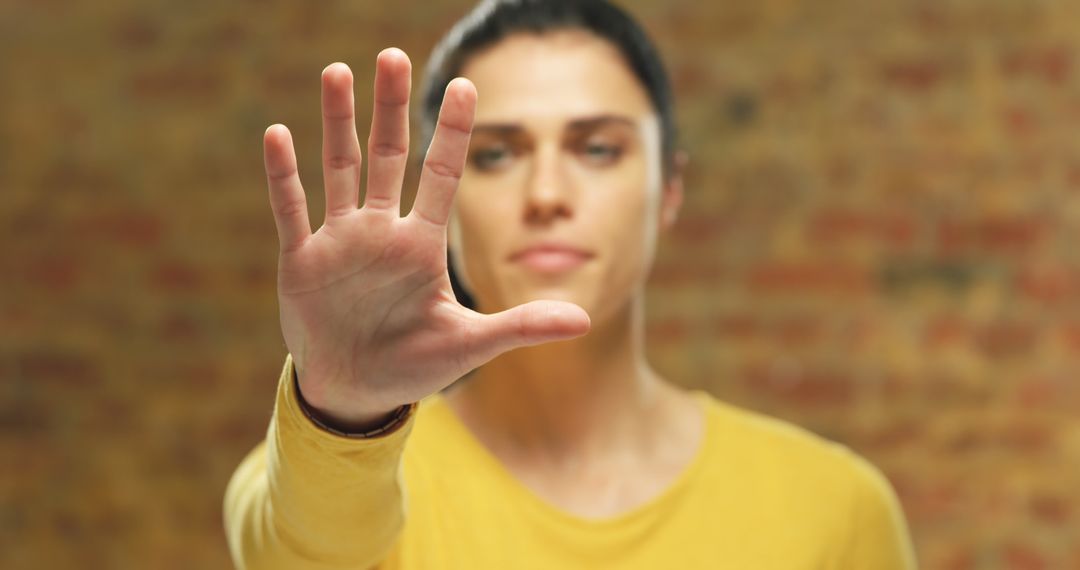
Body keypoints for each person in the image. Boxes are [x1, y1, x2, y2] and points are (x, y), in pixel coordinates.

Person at [224, 1, 917, 568]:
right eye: (495, 155)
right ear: (446, 201)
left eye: (597, 148)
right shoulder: (315, 477)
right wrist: (342, 414)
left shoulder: (834, 509)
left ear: (669, 188)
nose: (547, 193)